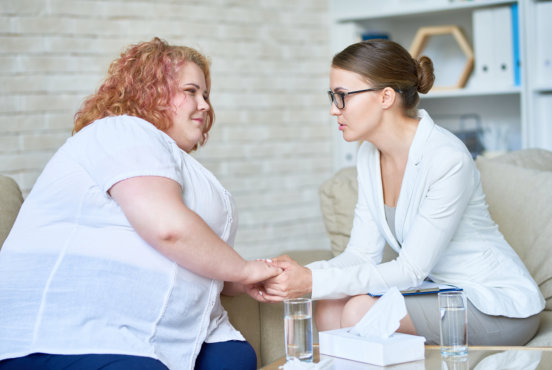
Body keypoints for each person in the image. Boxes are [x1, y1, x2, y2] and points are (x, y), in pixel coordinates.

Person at [0, 37, 280, 370]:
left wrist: (249, 278)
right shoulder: (121, 131)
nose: (204, 105)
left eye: (205, 94)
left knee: (235, 358)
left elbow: (193, 260)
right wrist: (246, 269)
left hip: (184, 334)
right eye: (191, 91)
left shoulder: (181, 166)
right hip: (79, 334)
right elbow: (168, 229)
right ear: (149, 91)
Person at [261, 39, 544, 346]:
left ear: (385, 97)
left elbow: (410, 270)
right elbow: (360, 254)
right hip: (437, 291)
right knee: (330, 303)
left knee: (360, 310)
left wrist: (312, 281)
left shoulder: (447, 158)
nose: (333, 110)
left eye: (342, 97)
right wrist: (299, 274)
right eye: (332, 97)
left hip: (494, 304)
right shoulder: (369, 155)